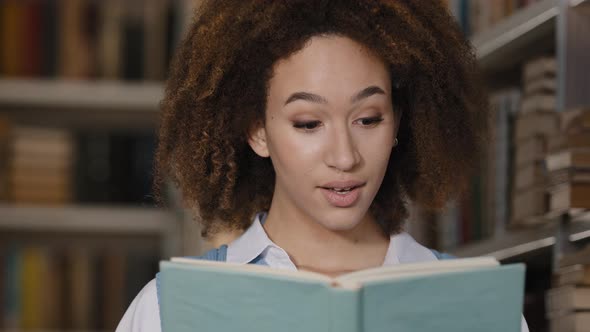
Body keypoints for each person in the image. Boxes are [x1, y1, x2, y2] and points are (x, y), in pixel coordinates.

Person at [116, 1, 528, 331]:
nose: (345, 157)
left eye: (368, 119)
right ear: (257, 130)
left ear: (398, 122)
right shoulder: (164, 311)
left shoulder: (474, 306)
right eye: (309, 123)